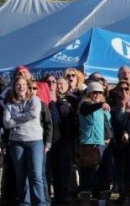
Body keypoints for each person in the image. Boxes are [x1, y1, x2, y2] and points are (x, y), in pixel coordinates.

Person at [3, 76, 47, 205]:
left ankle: (40, 203)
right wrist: (23, 117)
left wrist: (15, 118)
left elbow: (33, 114)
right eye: (18, 84)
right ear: (14, 87)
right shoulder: (10, 103)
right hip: (16, 142)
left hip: (35, 141)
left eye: (23, 84)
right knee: (21, 176)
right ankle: (25, 203)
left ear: (27, 87)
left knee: (36, 175)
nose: (20, 87)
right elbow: (6, 123)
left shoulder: (34, 100)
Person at [76, 81, 112, 204]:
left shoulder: (104, 107)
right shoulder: (85, 104)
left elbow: (109, 123)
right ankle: (85, 199)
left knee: (103, 172)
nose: (96, 94)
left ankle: (101, 200)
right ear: (89, 93)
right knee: (89, 173)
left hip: (104, 143)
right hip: (90, 143)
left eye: (99, 92)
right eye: (94, 92)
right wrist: (101, 104)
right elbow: (87, 110)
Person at [50, 77, 79, 205]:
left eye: (62, 84)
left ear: (67, 85)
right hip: (54, 140)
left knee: (67, 169)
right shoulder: (51, 99)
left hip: (68, 139)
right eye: (58, 84)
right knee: (55, 169)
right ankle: (58, 196)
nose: (60, 86)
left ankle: (67, 195)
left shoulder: (72, 100)